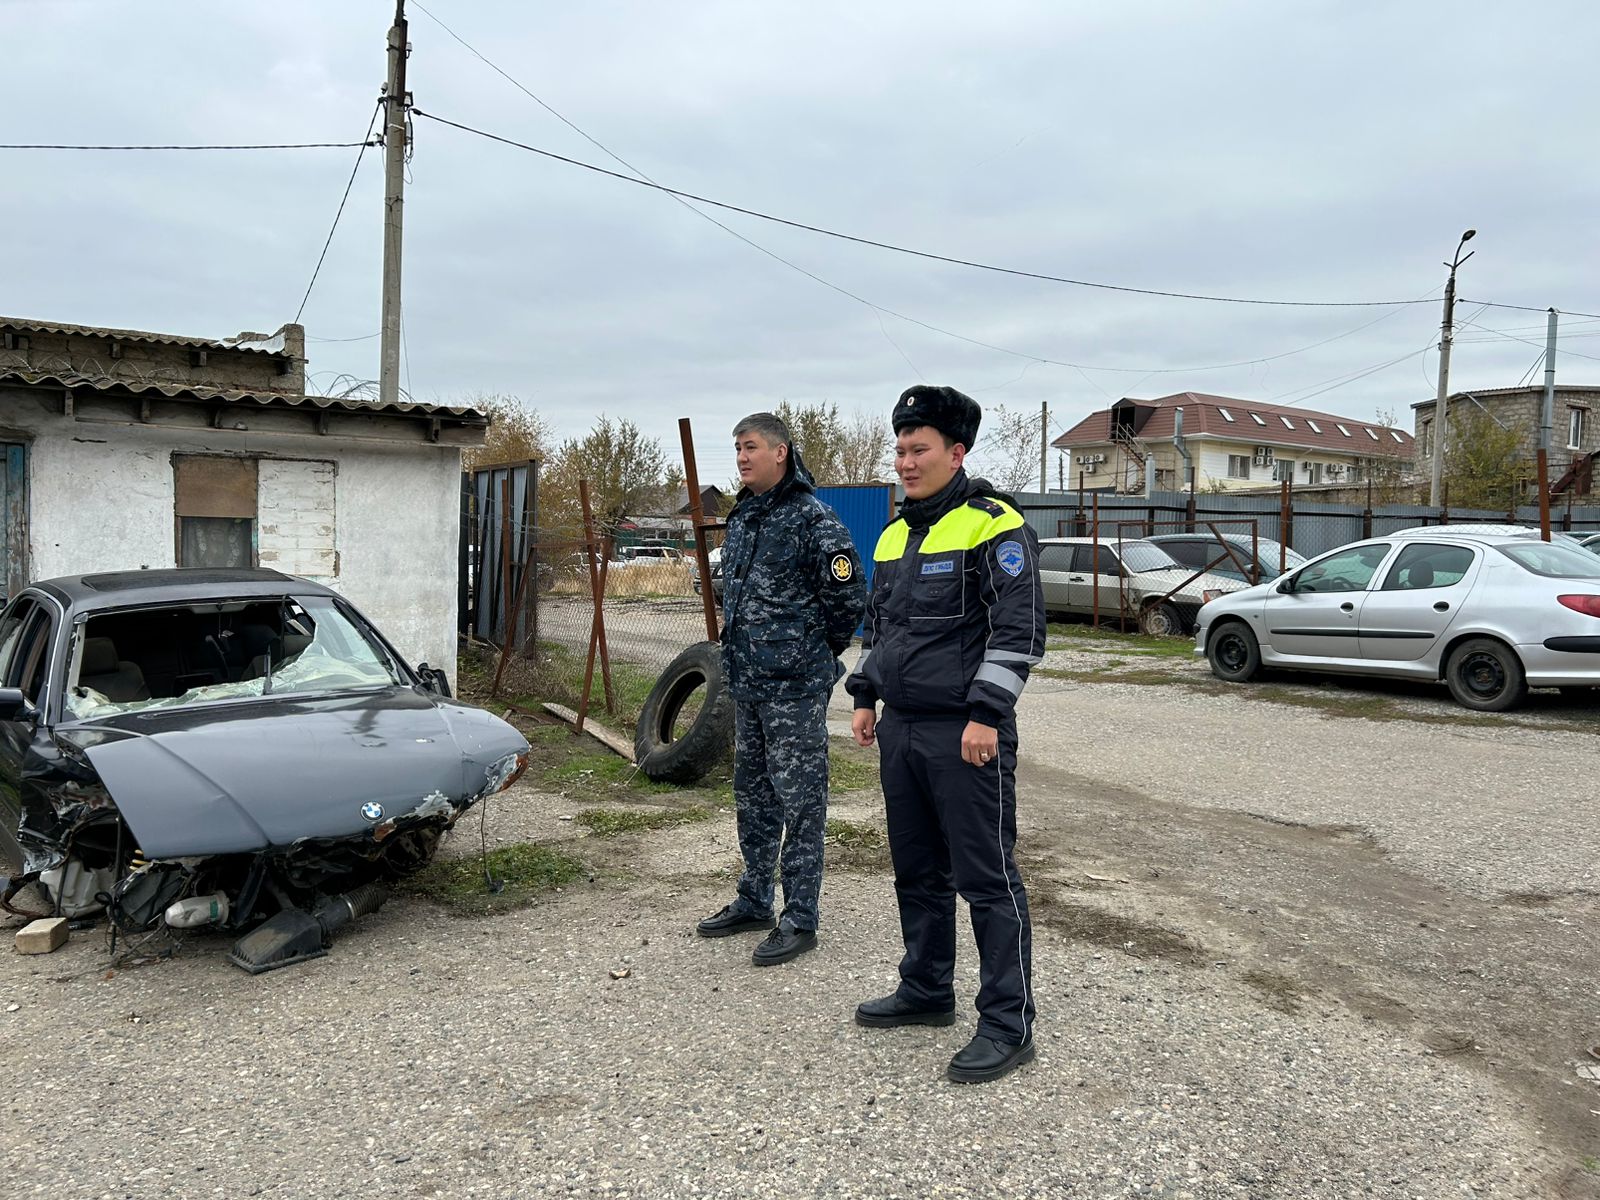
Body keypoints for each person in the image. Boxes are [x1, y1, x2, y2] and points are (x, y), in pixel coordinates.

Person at [846, 384, 1045, 1084]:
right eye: (899, 449)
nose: (905, 461)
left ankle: (1007, 1023)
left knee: (985, 879)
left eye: (919, 449)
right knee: (918, 872)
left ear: (956, 452)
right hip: (901, 732)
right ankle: (927, 990)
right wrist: (866, 694)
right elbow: (883, 626)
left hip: (966, 734)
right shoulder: (895, 533)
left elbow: (1019, 631)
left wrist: (987, 714)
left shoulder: (995, 525)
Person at [696, 412, 867, 966]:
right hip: (748, 683)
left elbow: (847, 602)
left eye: (750, 448)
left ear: (781, 453)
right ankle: (754, 898)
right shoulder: (746, 516)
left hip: (794, 688)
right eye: (737, 449)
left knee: (802, 800)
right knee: (753, 795)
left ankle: (800, 917)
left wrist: (813, 654)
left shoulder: (814, 520)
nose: (742, 458)